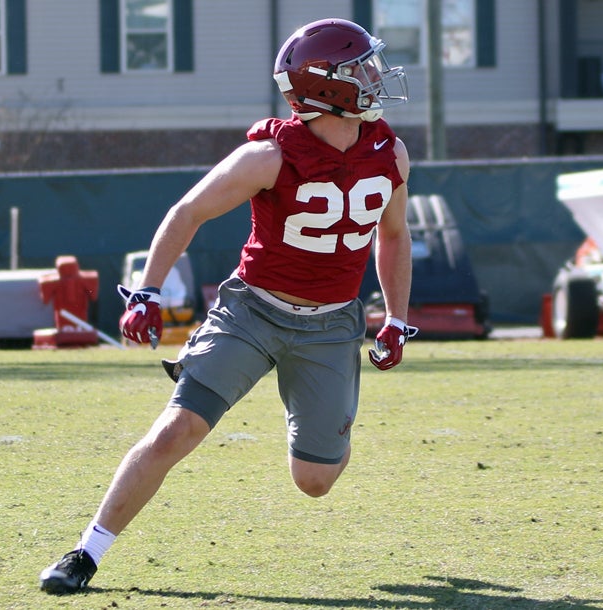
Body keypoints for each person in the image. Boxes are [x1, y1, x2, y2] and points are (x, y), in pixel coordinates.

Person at [39, 18, 416, 594]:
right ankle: (84, 554)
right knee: (175, 430)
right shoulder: (269, 155)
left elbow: (393, 235)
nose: (374, 76)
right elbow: (187, 211)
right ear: (329, 86)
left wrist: (394, 316)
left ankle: (327, 417)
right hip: (252, 312)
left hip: (331, 323)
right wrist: (147, 290)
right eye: (360, 67)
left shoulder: (390, 152)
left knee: (315, 481)